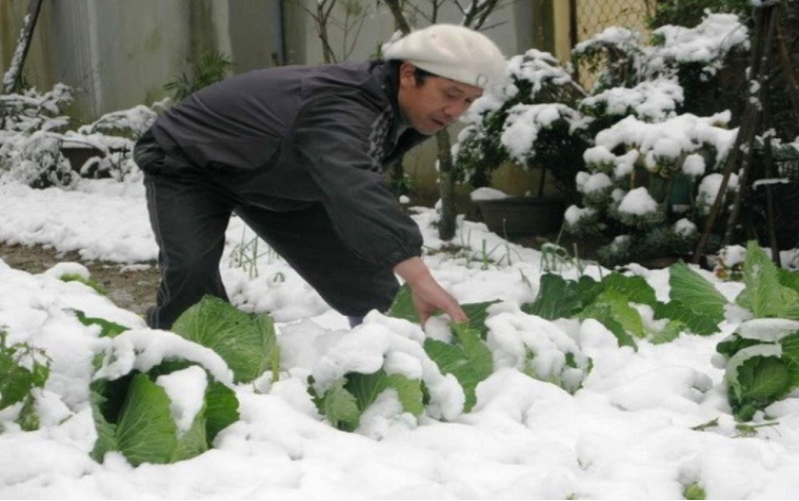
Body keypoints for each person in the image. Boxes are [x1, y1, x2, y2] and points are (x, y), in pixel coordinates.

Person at [133, 24, 506, 330]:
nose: (455, 111)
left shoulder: (404, 108)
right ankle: (173, 358)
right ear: (409, 74)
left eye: (469, 101)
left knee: (373, 292)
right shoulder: (344, 105)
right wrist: (420, 276)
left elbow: (346, 179)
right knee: (192, 275)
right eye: (451, 94)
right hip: (190, 160)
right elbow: (350, 180)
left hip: (281, 174)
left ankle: (394, 354)